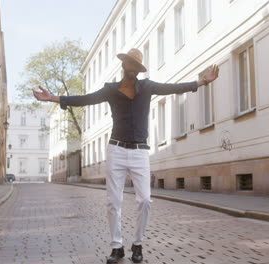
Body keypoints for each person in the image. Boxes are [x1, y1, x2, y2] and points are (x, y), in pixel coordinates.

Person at [33, 48, 219, 263]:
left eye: (136, 66)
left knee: (145, 200)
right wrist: (54, 98)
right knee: (113, 201)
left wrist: (202, 82)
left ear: (139, 70)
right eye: (130, 64)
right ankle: (116, 246)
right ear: (124, 65)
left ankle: (137, 244)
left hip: (140, 151)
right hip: (116, 150)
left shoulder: (147, 86)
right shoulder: (111, 90)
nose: (133, 69)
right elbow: (86, 99)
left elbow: (172, 88)